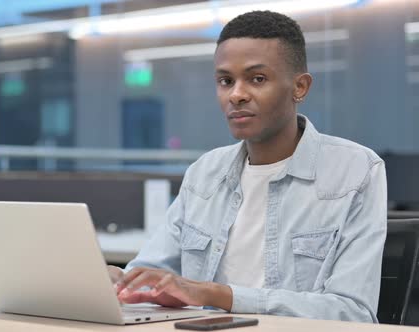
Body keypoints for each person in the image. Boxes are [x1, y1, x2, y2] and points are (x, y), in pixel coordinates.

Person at [108, 10, 387, 323]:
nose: (236, 95)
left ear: (300, 87)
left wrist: (218, 295)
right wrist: (116, 281)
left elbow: (353, 312)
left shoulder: (355, 170)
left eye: (257, 79)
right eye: (226, 81)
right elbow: (148, 273)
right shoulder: (205, 173)